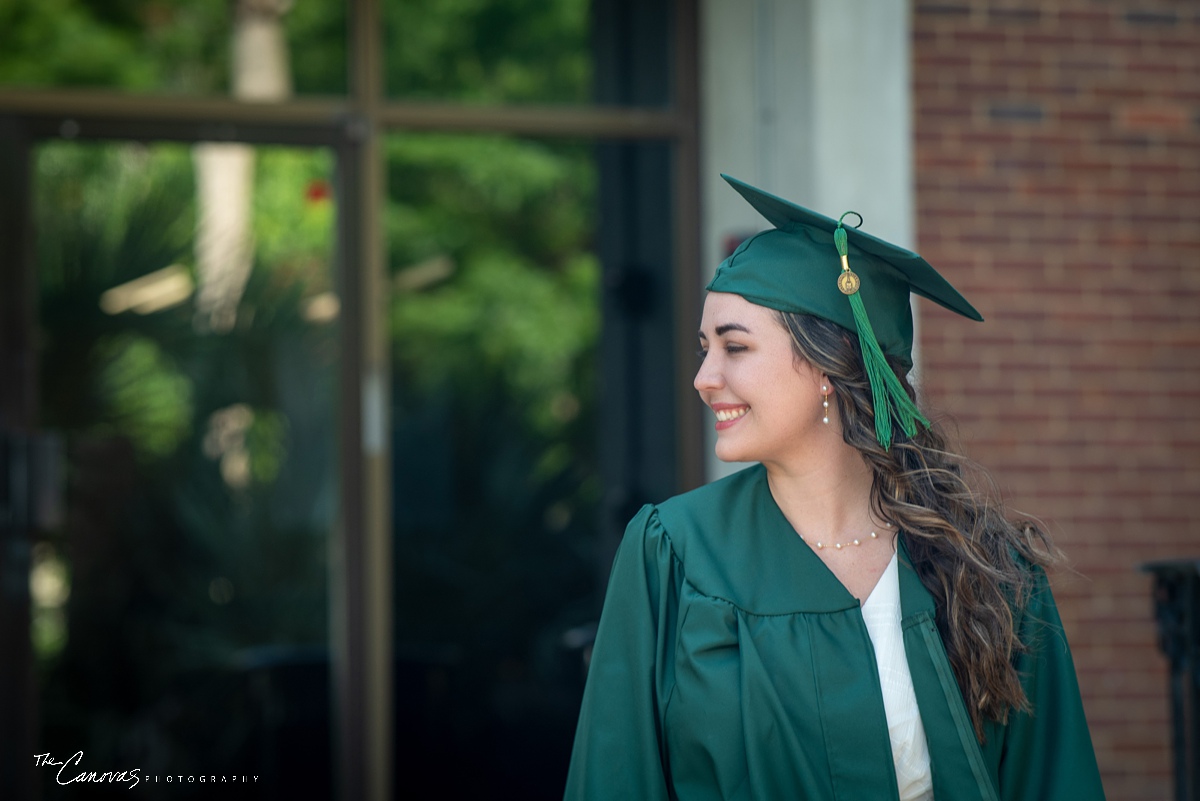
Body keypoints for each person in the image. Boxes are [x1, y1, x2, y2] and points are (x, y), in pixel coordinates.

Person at [563, 176, 1105, 800]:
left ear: (830, 365)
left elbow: (1052, 781)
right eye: (703, 349)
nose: (704, 378)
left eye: (735, 347)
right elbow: (617, 776)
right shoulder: (675, 551)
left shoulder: (987, 568)